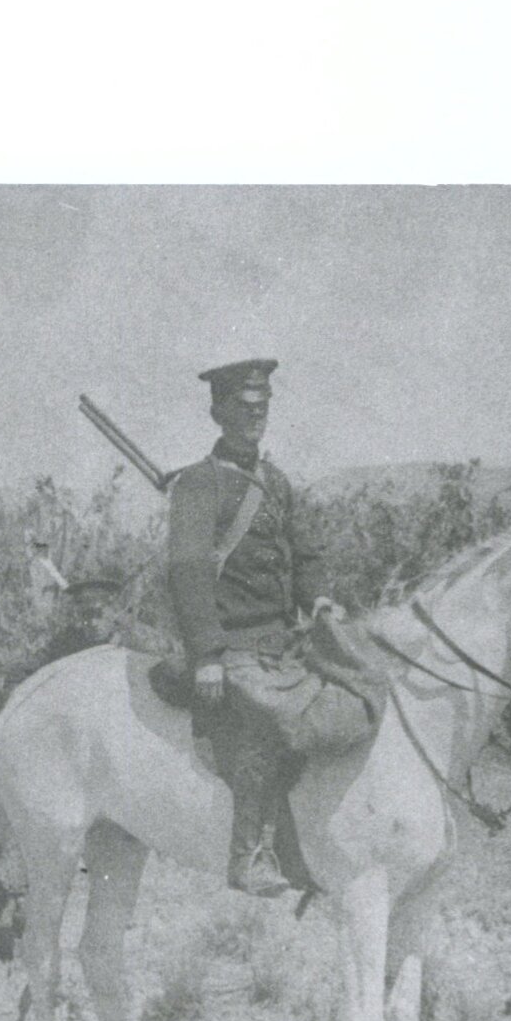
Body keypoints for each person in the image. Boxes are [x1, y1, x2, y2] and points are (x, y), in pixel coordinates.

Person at [165, 358, 341, 897]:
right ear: (218, 410)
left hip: (282, 640)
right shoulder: (198, 484)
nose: (255, 416)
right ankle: (249, 857)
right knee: (270, 725)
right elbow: (189, 569)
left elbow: (304, 553)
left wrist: (321, 600)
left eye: (262, 406)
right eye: (243, 408)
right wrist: (208, 653)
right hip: (233, 643)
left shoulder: (275, 482)